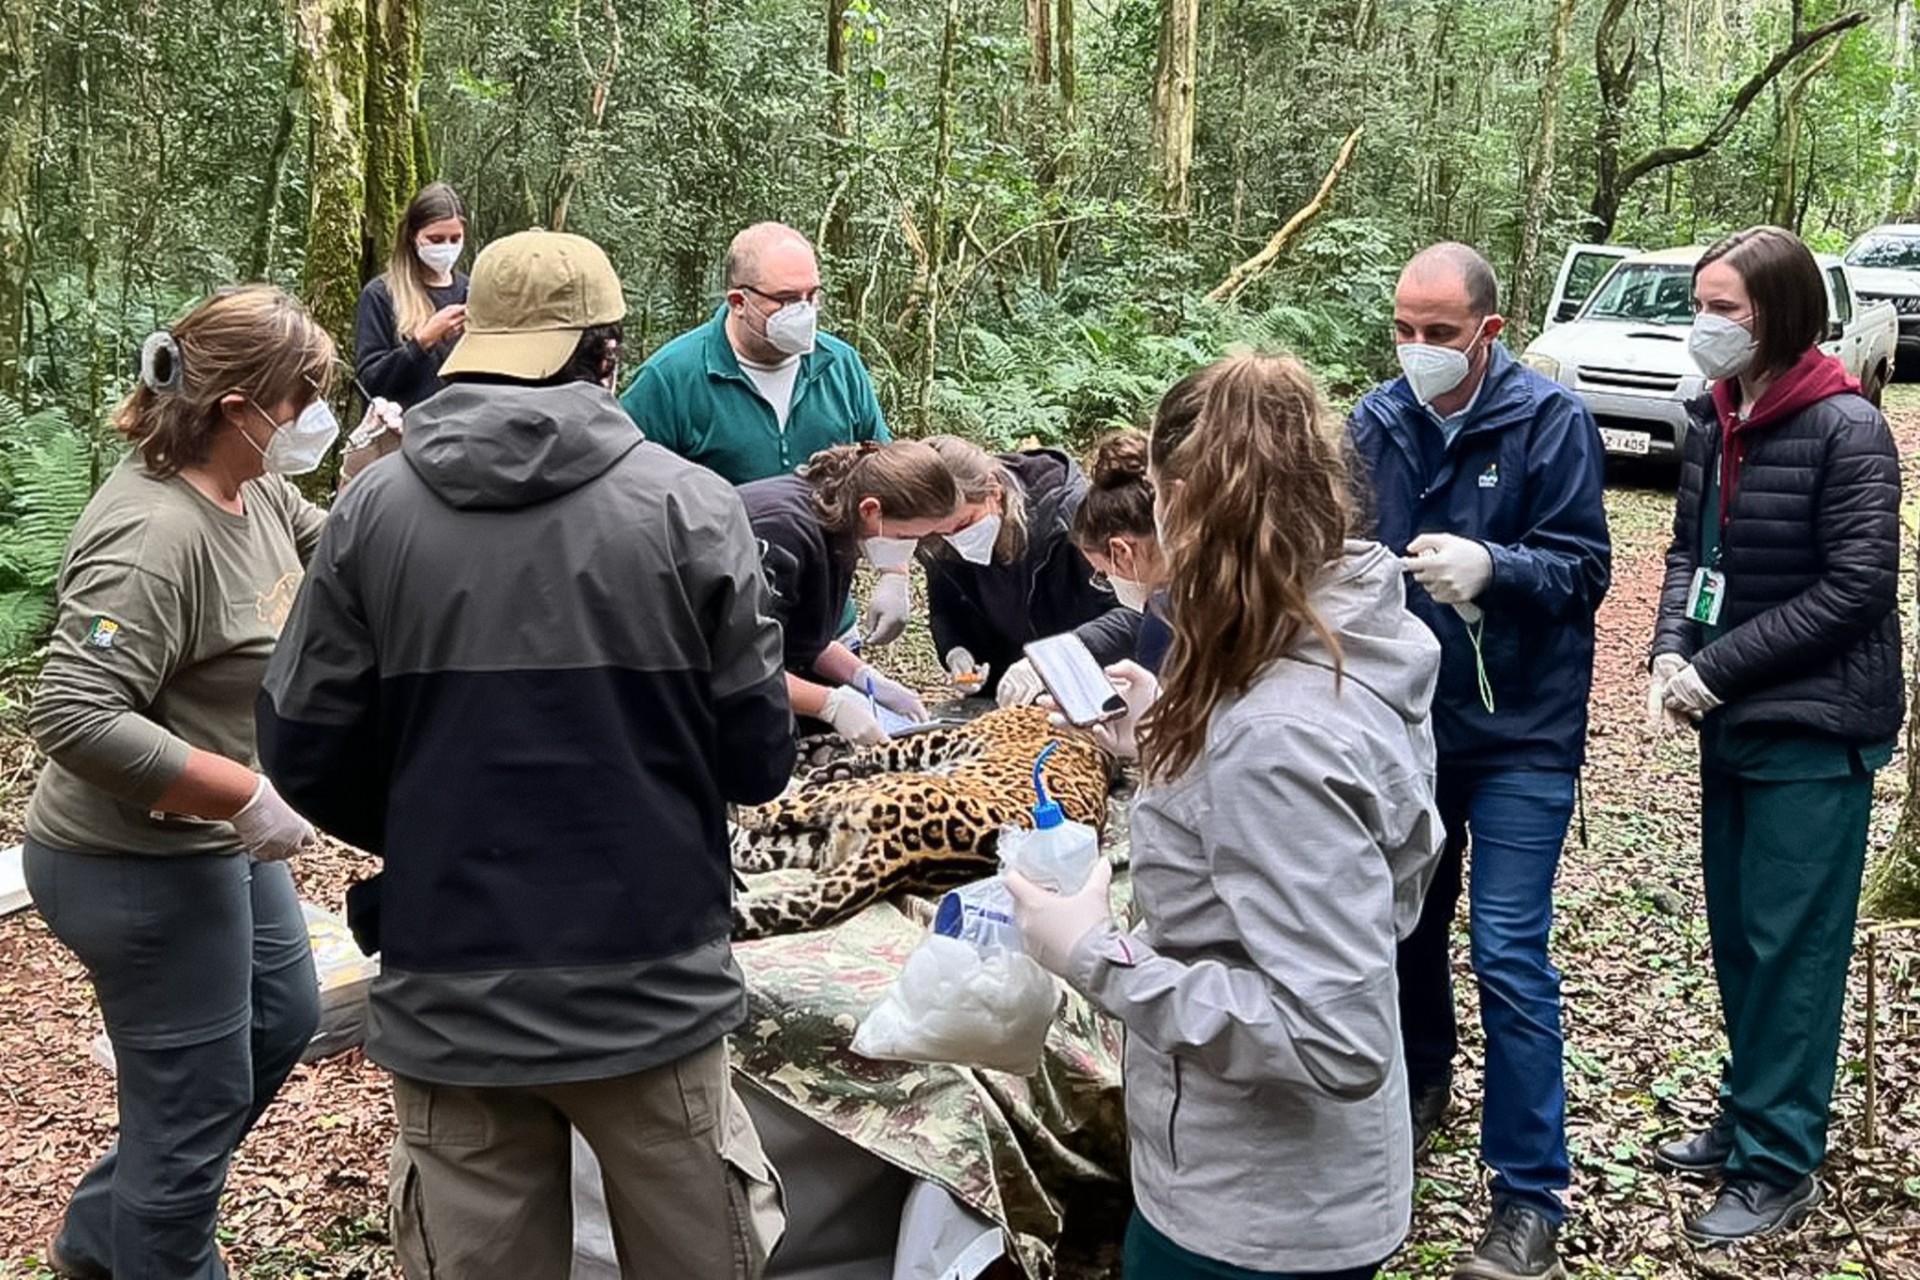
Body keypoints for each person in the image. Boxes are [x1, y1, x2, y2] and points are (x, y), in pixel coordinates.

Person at [258, 231, 795, 1280]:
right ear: (605, 356)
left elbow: (302, 743)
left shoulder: (374, 508)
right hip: (652, 988)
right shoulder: (691, 505)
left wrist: (435, 813)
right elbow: (758, 754)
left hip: (454, 984)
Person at [1005, 352, 1444, 1280]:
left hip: (1258, 1211)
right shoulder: (1341, 628)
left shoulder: (1281, 730)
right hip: (1264, 1178)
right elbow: (1354, 841)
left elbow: (1334, 1034)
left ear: (1176, 504)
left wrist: (1093, 955)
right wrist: (1169, 732)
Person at [23, 285, 339, 1278]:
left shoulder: (255, 488)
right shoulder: (153, 538)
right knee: (194, 1106)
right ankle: (155, 1245)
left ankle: (94, 1237)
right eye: (305, 395)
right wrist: (243, 794)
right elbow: (73, 713)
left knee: (282, 1016)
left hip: (214, 840)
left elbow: (331, 548)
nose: (314, 416)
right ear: (240, 406)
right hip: (135, 859)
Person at [1347, 242, 1611, 1280]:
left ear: (1488, 332)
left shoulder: (1551, 420)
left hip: (1524, 731)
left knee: (1507, 947)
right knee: (1403, 922)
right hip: (1407, 725)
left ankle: (1530, 1195)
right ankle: (1420, 1081)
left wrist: (1496, 566)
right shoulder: (1374, 421)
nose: (1416, 351)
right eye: (1403, 330)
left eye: (1439, 334)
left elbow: (1585, 568)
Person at [1646, 225, 1901, 1246]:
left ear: (1783, 315)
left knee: (1793, 951)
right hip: (1730, 720)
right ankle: (1749, 1111)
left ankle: (1778, 1161)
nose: (1707, 326)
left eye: (1727, 309)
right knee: (1743, 945)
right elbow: (1684, 549)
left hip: (1816, 729)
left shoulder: (1848, 428)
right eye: (1700, 305)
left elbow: (1856, 588)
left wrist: (1718, 666)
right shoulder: (1712, 416)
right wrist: (1671, 649)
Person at [620, 223, 898, 641]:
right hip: (717, 629)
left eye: (812, 295)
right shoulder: (670, 379)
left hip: (828, 627)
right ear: (738, 301)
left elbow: (883, 476)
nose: (804, 310)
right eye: (786, 299)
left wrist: (893, 571)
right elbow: (627, 505)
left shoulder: (840, 367)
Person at [741, 441, 959, 746]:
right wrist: (829, 704)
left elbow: (803, 640)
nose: (907, 550)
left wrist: (863, 677)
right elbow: (741, 664)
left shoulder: (839, 527)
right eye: (905, 536)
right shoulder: (783, 533)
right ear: (870, 509)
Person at [914, 434, 1141, 702]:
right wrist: (956, 650)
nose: (954, 538)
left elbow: (1132, 615)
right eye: (941, 532)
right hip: (1010, 697)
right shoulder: (939, 542)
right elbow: (947, 607)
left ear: (993, 492)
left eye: (962, 525)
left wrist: (1052, 660)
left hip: (1095, 688)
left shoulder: (1071, 519)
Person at [353, 182, 470, 411]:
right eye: (436, 240)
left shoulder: (469, 290)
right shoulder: (381, 294)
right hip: (405, 434)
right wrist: (422, 342)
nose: (447, 248)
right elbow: (370, 383)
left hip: (461, 430)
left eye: (455, 239)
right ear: (412, 236)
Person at [1068, 429, 1173, 674]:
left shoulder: (1161, 622)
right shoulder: (1230, 580)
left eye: (1102, 574)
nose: (1107, 581)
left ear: (1121, 551)